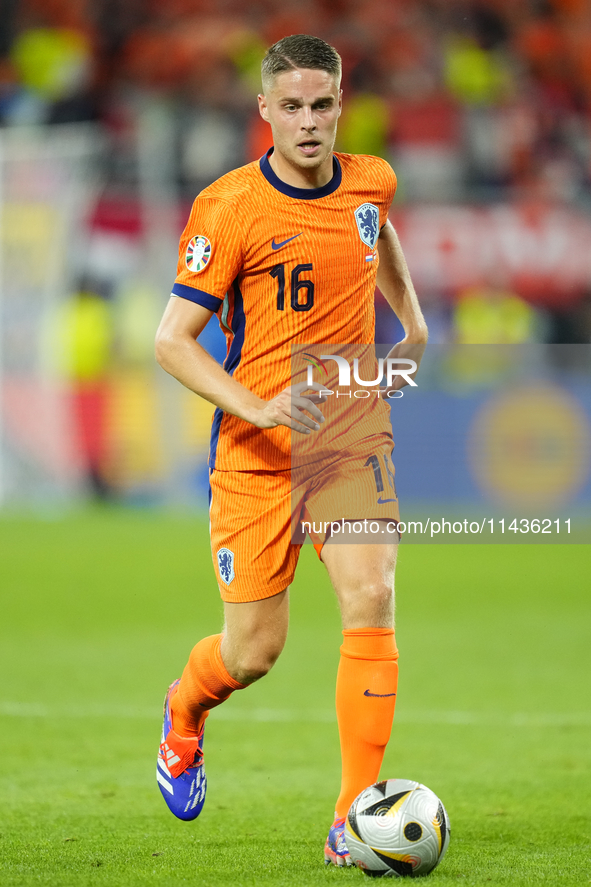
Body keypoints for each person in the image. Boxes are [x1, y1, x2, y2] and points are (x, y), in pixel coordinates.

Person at [154, 34, 428, 866]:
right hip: (254, 452)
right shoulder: (229, 206)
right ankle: (183, 712)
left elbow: (372, 233)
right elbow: (173, 341)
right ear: (264, 111)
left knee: (371, 592)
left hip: (347, 432)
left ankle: (351, 818)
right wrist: (261, 405)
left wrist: (410, 323)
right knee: (252, 654)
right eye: (292, 107)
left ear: (340, 105)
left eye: (322, 105)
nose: (308, 123)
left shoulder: (372, 179)